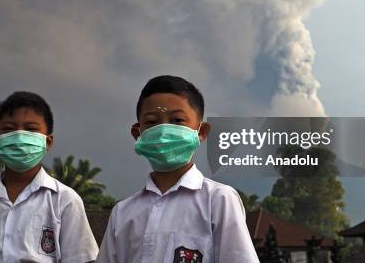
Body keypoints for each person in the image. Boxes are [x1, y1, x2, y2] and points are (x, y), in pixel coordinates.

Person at [96, 75, 260, 263]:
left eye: (177, 120)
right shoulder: (122, 213)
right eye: (151, 122)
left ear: (201, 132)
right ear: (137, 133)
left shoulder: (218, 200)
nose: (164, 130)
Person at [0, 91, 98, 263]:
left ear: (48, 142)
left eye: (30, 129)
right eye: (8, 129)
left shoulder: (65, 201)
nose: (19, 136)